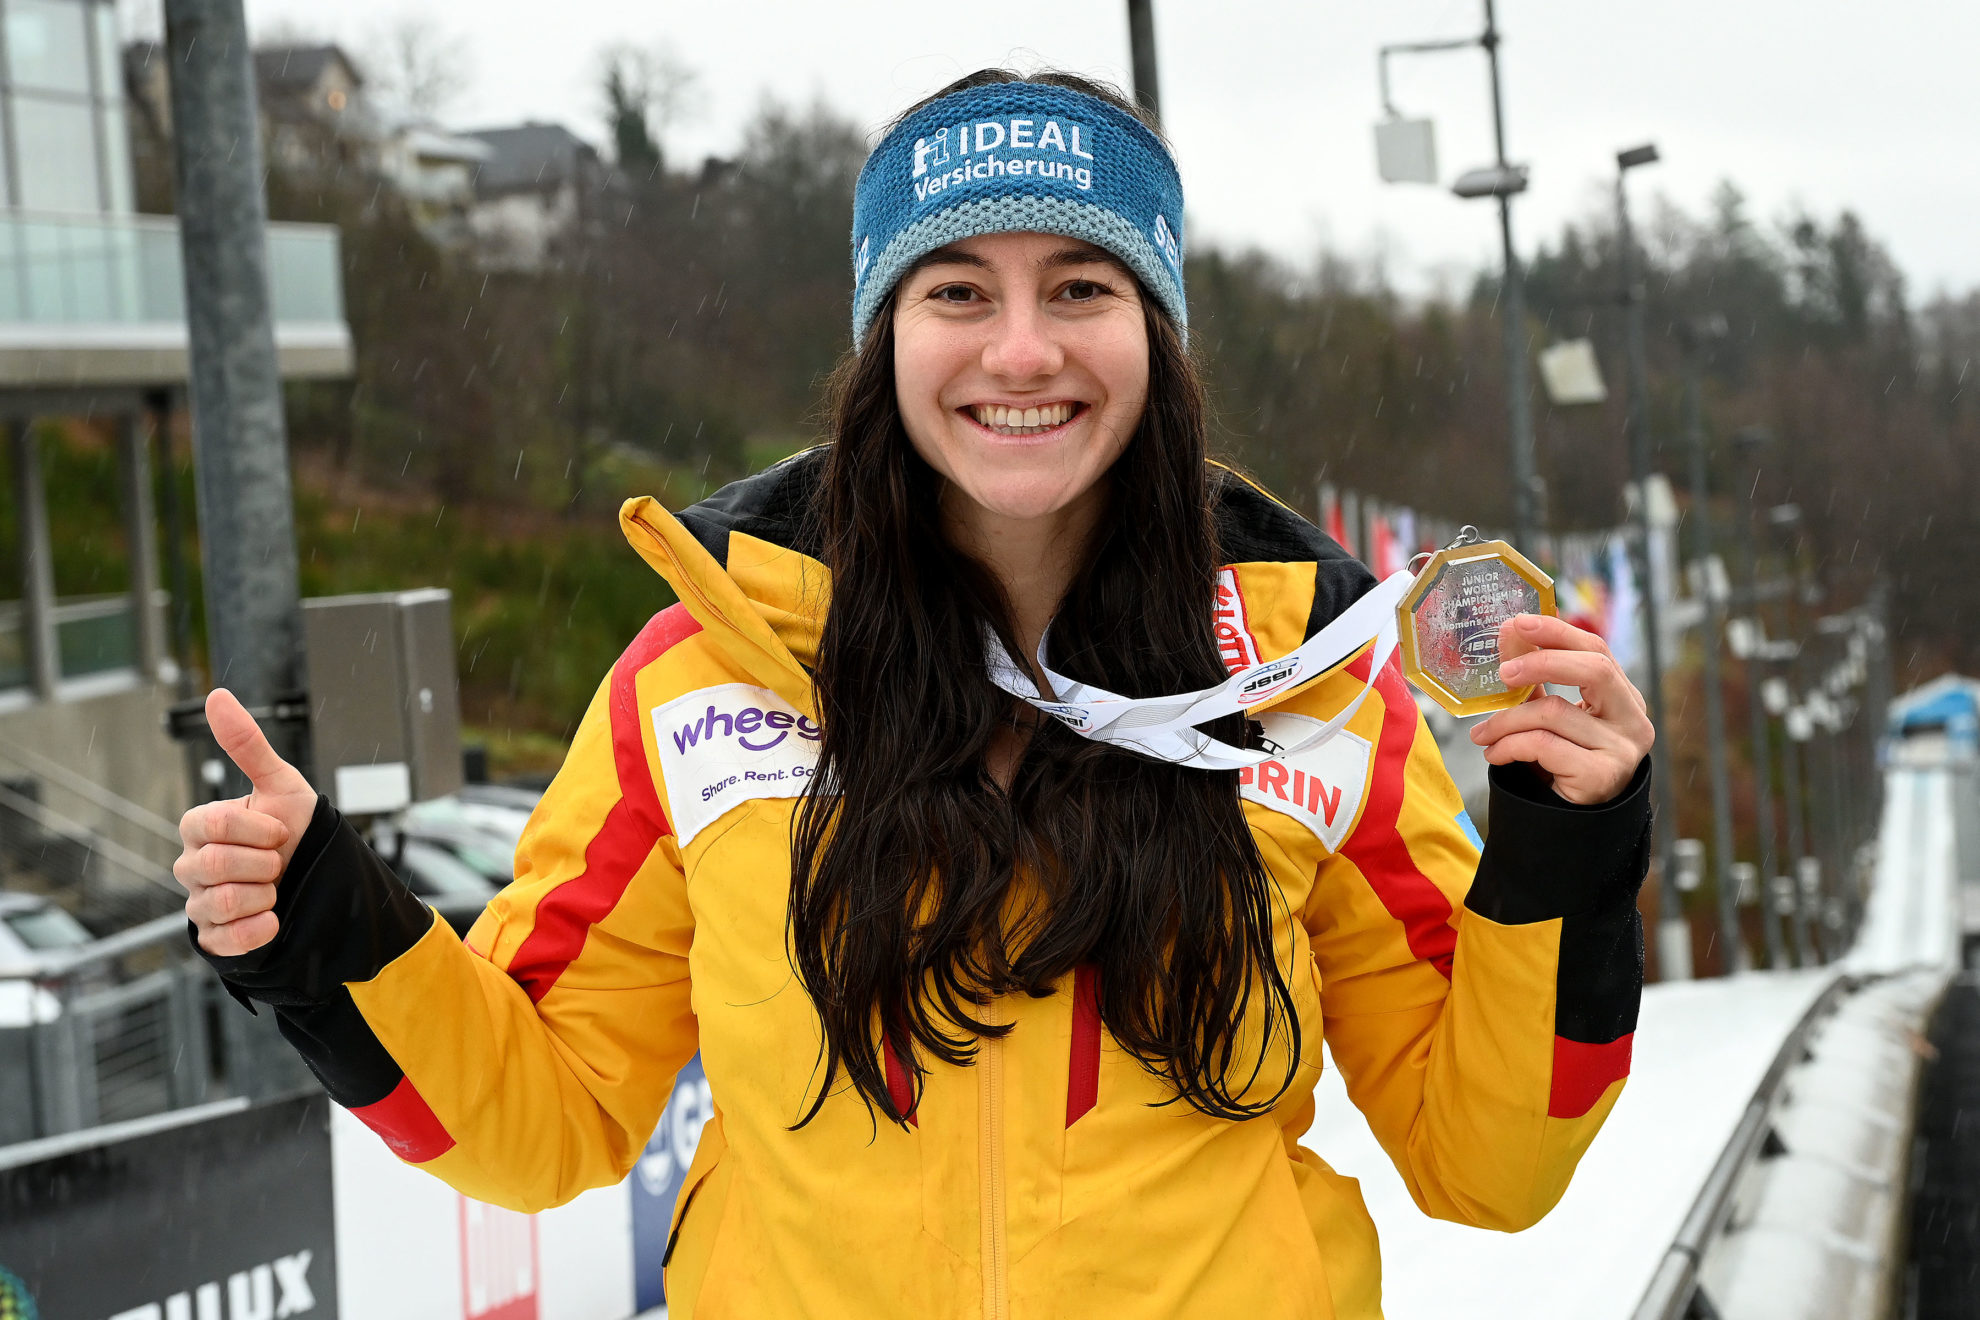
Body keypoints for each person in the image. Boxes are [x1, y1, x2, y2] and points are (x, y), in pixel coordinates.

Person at [175, 70, 1655, 1319]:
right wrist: (330, 925)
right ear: (888, 338)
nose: (1022, 349)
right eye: (959, 290)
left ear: (1157, 334)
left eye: (1081, 286)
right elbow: (544, 1117)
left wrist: (1565, 851)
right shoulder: (702, 678)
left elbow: (1493, 1163)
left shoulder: (1307, 688)